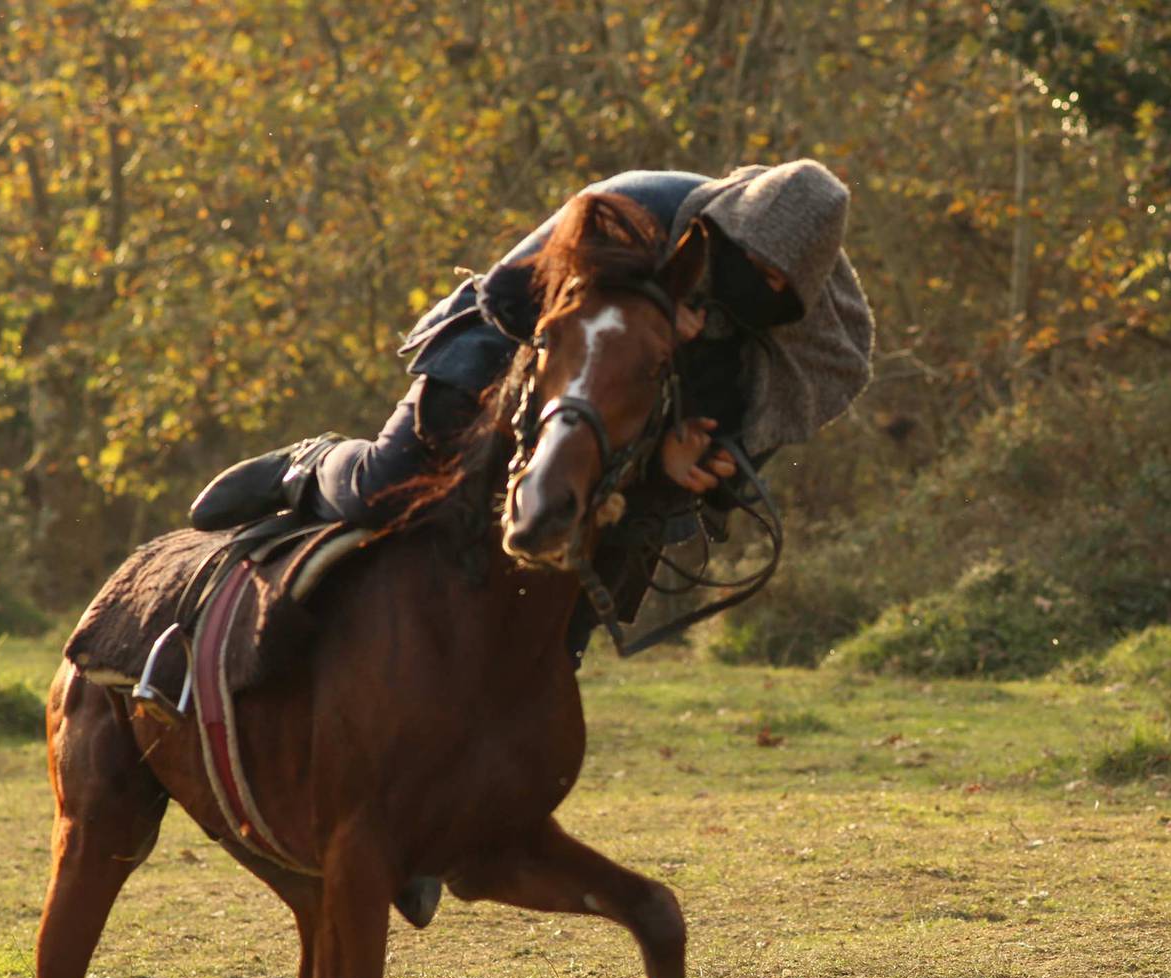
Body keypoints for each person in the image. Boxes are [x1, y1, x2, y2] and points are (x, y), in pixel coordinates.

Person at [190, 160, 873, 652]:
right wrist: (659, 311)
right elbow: (526, 310)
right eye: (756, 263)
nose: (765, 284)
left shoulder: (814, 321)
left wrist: (708, 460)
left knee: (621, 551)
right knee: (390, 487)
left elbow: (776, 400)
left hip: (639, 396)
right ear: (736, 226)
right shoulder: (632, 207)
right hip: (530, 334)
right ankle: (306, 467)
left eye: (781, 281)